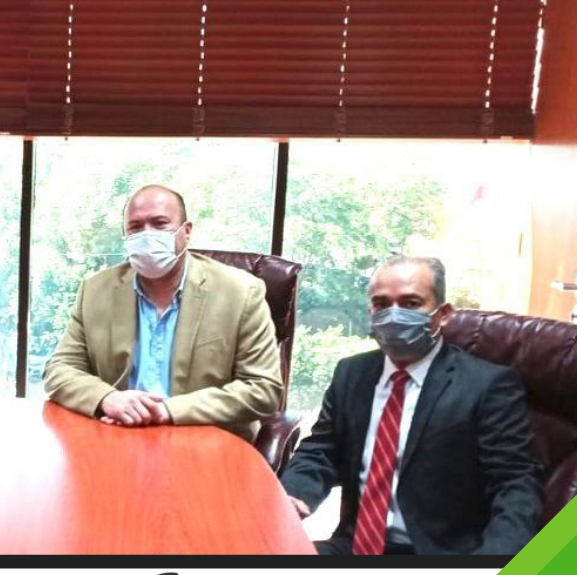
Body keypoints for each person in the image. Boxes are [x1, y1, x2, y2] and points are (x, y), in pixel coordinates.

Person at [280, 256, 542, 555]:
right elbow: (321, 450)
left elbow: (514, 484)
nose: (394, 316)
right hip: (354, 546)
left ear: (443, 314)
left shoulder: (487, 385)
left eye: (410, 303)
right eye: (381, 304)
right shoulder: (351, 373)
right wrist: (293, 495)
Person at [42, 185, 282, 440]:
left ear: (186, 232)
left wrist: (168, 410)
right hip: (116, 435)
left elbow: (263, 389)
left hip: (206, 440)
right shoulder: (95, 290)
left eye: (160, 224)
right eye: (135, 227)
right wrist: (106, 398)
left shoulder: (241, 292)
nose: (147, 235)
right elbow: (59, 369)